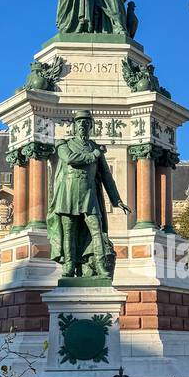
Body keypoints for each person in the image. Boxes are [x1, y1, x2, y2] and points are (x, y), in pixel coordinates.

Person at [46, 110, 129, 278]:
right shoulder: (64, 144)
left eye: (86, 123)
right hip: (68, 193)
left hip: (89, 194)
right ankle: (69, 266)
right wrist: (94, 155)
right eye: (79, 122)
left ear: (90, 126)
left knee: (97, 231)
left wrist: (116, 200)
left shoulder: (95, 147)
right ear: (74, 126)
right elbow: (70, 158)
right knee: (69, 232)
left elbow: (106, 175)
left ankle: (101, 266)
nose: (82, 125)